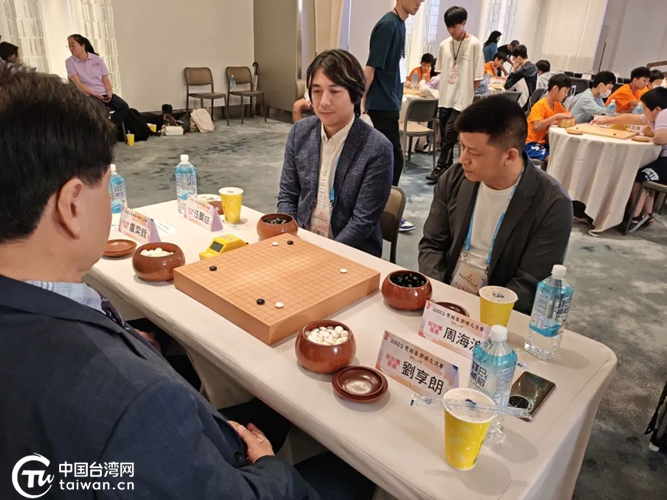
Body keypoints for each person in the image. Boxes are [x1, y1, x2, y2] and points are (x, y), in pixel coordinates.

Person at [0, 67, 375, 500]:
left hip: (179, 441)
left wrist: (123, 337)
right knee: (362, 465)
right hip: (214, 466)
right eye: (105, 186)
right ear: (72, 206)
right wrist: (269, 467)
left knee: (276, 397)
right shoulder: (137, 402)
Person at [418, 95, 572, 313]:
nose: (462, 159)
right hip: (445, 295)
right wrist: (441, 298)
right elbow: (432, 244)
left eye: (474, 152)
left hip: (499, 308)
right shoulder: (454, 178)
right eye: (462, 147)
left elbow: (529, 282)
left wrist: (481, 314)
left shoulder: (552, 204)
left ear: (509, 156)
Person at [279, 50, 393, 257]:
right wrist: (290, 239)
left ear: (355, 94)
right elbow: (288, 195)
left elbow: (362, 222)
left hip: (351, 254)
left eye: (334, 91)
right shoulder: (300, 132)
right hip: (302, 242)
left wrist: (321, 256)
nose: (323, 101)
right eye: (316, 91)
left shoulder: (377, 148)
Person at [363, 0, 423, 232]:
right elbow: (371, 68)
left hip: (390, 102)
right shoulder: (388, 25)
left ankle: (381, 211)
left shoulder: (400, 24)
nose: (419, 2)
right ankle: (385, 212)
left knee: (387, 159)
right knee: (392, 159)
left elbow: (395, 65)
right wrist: (361, 102)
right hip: (381, 104)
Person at [593, 87, 667, 232]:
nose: (643, 112)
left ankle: (635, 216)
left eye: (645, 109)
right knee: (645, 171)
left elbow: (660, 138)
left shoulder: (664, 114)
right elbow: (633, 118)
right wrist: (606, 120)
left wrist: (649, 131)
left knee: (641, 176)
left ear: (657, 109)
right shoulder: (656, 114)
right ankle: (647, 214)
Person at [426, 5, 484, 184]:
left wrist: (468, 95)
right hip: (445, 98)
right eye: (448, 26)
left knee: (450, 134)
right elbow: (440, 72)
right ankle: (448, 169)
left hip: (462, 100)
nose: (451, 30)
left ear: (464, 23)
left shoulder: (474, 44)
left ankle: (440, 167)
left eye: (454, 26)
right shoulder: (444, 45)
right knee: (445, 134)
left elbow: (477, 76)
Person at [66, 34, 129, 129]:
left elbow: (105, 78)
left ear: (82, 45)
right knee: (101, 111)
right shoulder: (70, 62)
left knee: (123, 106)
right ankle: (106, 131)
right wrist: (95, 94)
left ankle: (111, 128)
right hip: (88, 95)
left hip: (103, 93)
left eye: (73, 45)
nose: (71, 48)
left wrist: (109, 91)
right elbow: (78, 84)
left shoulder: (97, 59)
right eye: (69, 46)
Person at [524, 74, 572, 162]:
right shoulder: (540, 105)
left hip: (543, 143)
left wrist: (556, 121)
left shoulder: (557, 105)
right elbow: (536, 126)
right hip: (529, 144)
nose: (566, 95)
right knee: (555, 159)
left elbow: (569, 116)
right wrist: (556, 117)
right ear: (555, 89)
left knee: (564, 154)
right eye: (565, 91)